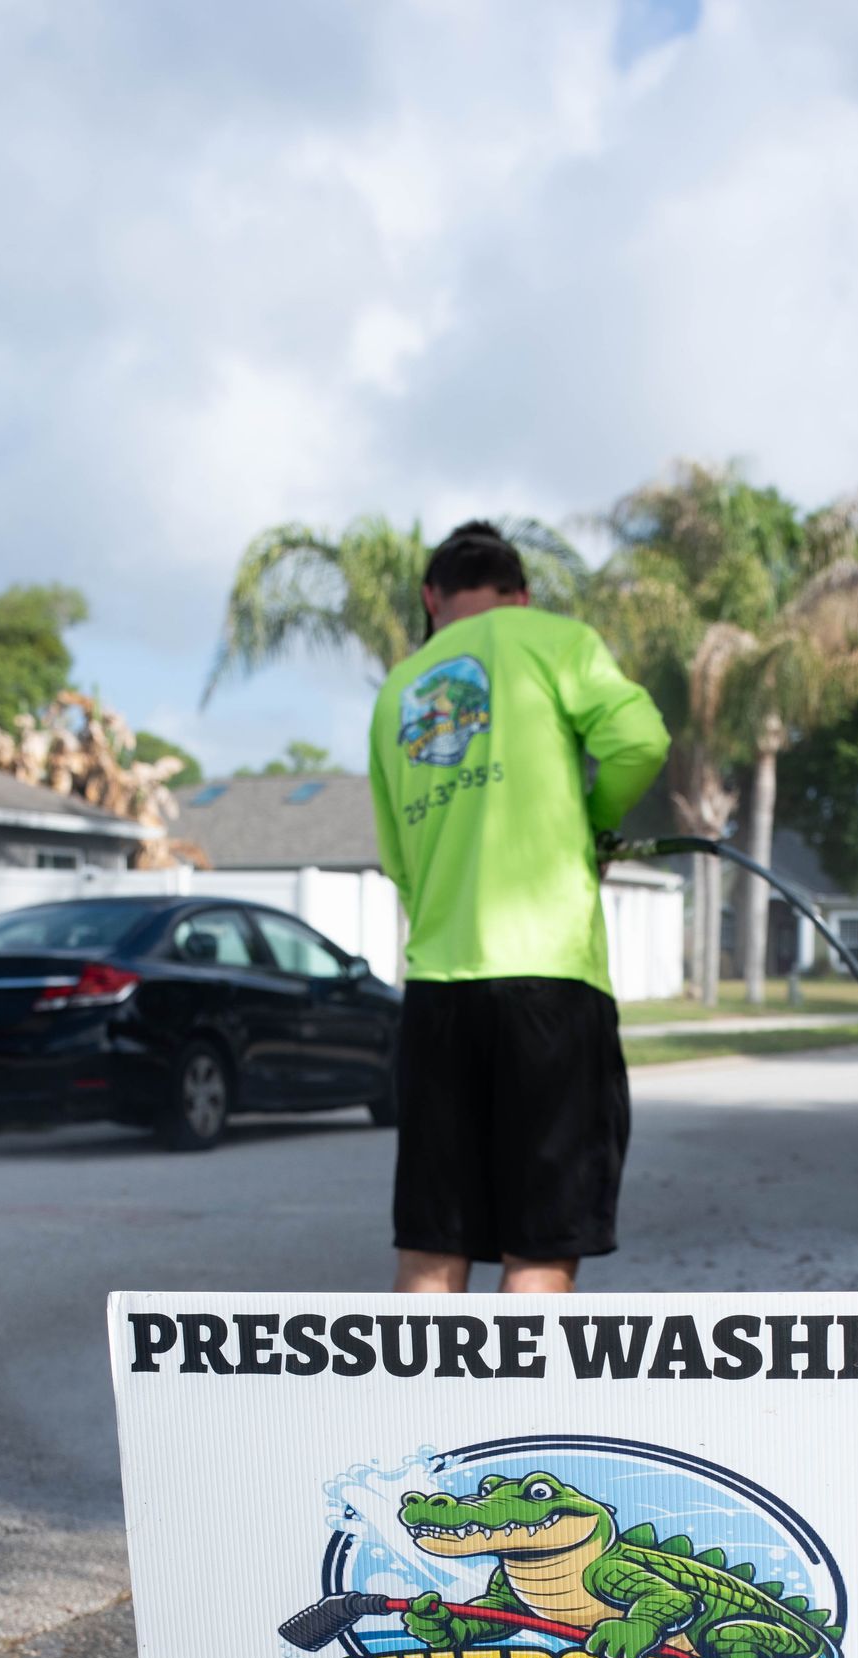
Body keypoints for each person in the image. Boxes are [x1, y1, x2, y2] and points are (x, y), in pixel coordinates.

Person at [368, 520, 669, 1296]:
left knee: (431, 1247)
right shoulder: (554, 641)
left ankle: (417, 1388)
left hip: (438, 989)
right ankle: (519, 1386)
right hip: (550, 985)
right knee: (538, 1248)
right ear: (521, 595)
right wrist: (593, 824)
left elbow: (400, 863)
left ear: (431, 598)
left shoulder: (399, 691)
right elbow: (639, 740)